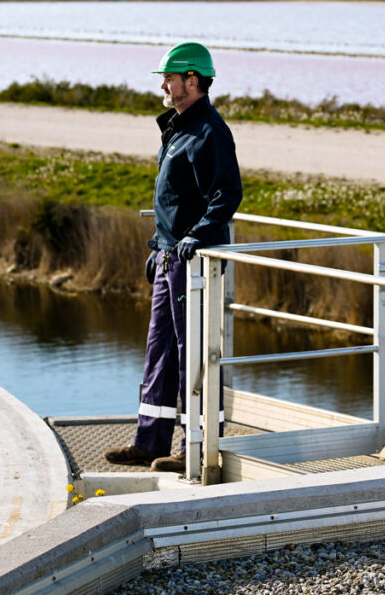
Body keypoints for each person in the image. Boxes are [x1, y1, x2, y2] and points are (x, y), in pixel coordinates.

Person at [105, 41, 241, 471]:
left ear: (192, 80)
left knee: (193, 353)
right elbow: (176, 199)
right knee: (160, 350)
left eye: (169, 78)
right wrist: (159, 243)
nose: (163, 85)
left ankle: (194, 447)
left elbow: (226, 195)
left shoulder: (209, 132)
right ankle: (150, 441)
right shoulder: (179, 128)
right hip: (170, 255)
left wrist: (197, 236)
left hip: (194, 261)